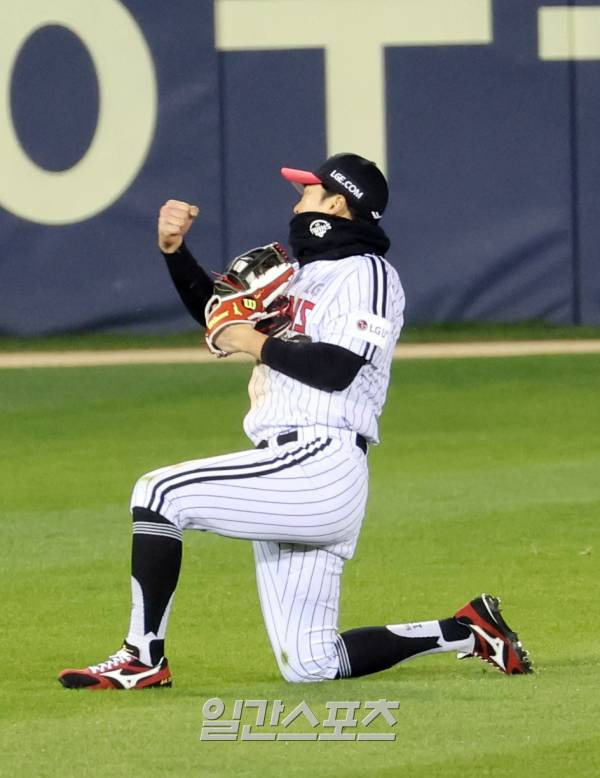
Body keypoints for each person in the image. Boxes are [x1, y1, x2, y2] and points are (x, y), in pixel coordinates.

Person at [59, 153, 530, 689]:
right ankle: (468, 631)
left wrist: (251, 340)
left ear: (337, 203)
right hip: (286, 468)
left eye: (307, 191)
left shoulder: (368, 273)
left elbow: (336, 369)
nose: (296, 200)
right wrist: (175, 252)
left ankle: (142, 658)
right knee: (312, 664)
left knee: (160, 492)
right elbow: (221, 313)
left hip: (320, 463)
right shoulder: (300, 275)